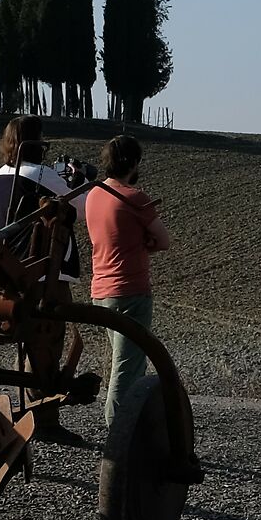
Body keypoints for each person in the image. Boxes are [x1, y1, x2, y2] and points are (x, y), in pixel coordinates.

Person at [83, 133, 170, 428]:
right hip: (130, 291)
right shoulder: (135, 198)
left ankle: (134, 425)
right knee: (126, 367)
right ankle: (118, 434)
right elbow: (164, 240)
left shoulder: (93, 195)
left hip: (101, 290)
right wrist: (145, 242)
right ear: (133, 162)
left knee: (128, 362)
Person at [0, 116, 78, 280]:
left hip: (10, 256)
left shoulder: (1, 173)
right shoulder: (38, 173)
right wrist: (78, 180)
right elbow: (81, 208)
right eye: (40, 136)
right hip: (37, 260)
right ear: (34, 141)